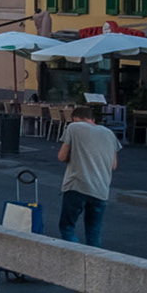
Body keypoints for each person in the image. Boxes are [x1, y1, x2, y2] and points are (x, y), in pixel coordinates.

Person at [57, 104, 120, 247]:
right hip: (100, 190)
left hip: (76, 185)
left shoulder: (74, 127)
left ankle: (74, 258)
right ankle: (93, 263)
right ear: (93, 119)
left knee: (67, 228)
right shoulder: (109, 134)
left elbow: (62, 156)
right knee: (93, 232)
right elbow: (113, 165)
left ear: (76, 118)